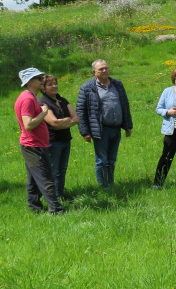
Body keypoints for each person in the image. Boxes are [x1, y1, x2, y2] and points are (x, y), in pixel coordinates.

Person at [76, 59, 133, 190]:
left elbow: (125, 105)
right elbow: (80, 110)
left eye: (106, 68)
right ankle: (103, 186)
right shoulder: (87, 87)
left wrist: (128, 125)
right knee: (102, 160)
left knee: (112, 159)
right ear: (94, 72)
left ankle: (110, 184)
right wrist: (85, 132)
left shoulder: (117, 84)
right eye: (101, 69)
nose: (104, 70)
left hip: (116, 128)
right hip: (100, 129)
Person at [15, 67, 64, 214]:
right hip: (33, 145)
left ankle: (34, 208)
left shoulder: (30, 96)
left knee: (33, 180)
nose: (42, 80)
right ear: (30, 82)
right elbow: (28, 124)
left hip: (34, 144)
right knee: (45, 177)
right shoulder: (28, 98)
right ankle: (56, 210)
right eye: (39, 78)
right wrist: (43, 113)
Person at [39, 75, 79, 200]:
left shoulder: (63, 100)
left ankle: (60, 195)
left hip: (66, 140)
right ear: (43, 88)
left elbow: (76, 118)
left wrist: (64, 122)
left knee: (62, 169)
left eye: (55, 83)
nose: (54, 86)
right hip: (53, 141)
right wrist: (67, 121)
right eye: (50, 84)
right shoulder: (43, 103)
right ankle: (52, 197)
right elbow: (53, 122)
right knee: (53, 171)